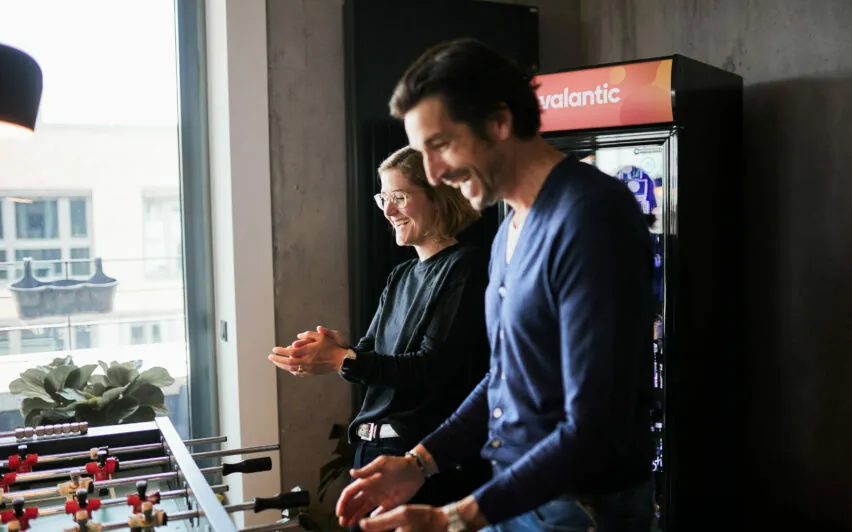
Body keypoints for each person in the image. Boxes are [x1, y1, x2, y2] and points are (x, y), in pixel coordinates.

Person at [335, 38, 656, 532]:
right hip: (516, 496)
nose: (435, 173)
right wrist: (419, 463)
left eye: (439, 146)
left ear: (498, 123)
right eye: (424, 153)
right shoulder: (510, 227)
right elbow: (507, 375)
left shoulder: (592, 216)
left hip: (582, 510)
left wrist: (455, 518)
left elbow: (595, 425)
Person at [268, 145, 493, 512]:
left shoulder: (466, 268)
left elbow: (430, 368)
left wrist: (344, 358)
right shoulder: (400, 275)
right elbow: (372, 362)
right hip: (369, 450)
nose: (388, 211)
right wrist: (334, 352)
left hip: (420, 463)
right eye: (383, 198)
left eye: (400, 197)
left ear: (438, 195)